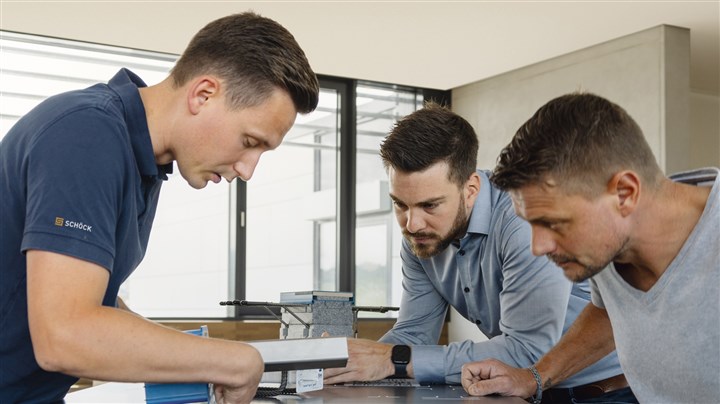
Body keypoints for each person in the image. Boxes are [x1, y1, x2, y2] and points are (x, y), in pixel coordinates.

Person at [0, 12, 318, 403]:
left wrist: (193, 357)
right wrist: (230, 360)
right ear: (204, 94)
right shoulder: (86, 134)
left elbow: (90, 295)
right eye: (250, 142)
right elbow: (65, 336)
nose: (248, 170)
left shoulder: (142, 163)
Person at [323, 102, 636, 403]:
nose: (412, 223)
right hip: (518, 390)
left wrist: (394, 358)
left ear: (470, 189)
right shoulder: (421, 236)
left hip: (604, 393)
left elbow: (527, 351)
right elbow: (414, 334)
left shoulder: (521, 220)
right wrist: (353, 361)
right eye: (399, 204)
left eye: (429, 205)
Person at [461, 93, 719, 403]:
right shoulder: (611, 242)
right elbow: (607, 310)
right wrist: (536, 376)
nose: (538, 247)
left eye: (554, 223)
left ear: (625, 193)